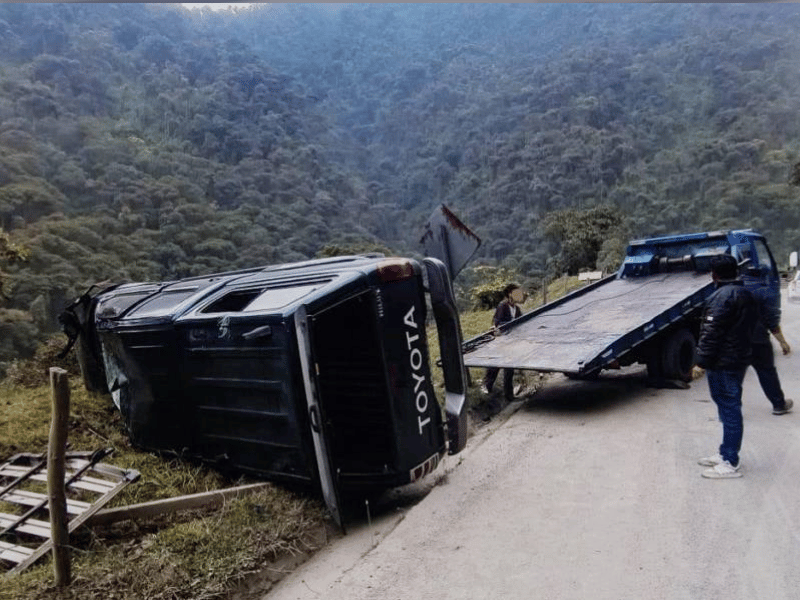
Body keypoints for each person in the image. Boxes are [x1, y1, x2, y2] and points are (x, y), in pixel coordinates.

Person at [694, 254, 757, 479]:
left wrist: (700, 363)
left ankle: (730, 462)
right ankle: (725, 453)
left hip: (723, 363)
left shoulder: (721, 297)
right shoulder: (745, 293)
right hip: (738, 359)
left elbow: (711, 334)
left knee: (730, 409)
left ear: (714, 274)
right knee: (728, 406)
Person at [745, 275, 793, 415]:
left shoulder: (729, 291)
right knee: (766, 371)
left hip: (735, 342)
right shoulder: (763, 291)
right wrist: (782, 341)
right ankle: (778, 405)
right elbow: (771, 320)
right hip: (758, 340)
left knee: (734, 375)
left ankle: (729, 411)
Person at [483, 283, 524, 401]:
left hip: (512, 341)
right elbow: (498, 323)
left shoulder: (517, 309)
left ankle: (509, 395)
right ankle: (487, 386)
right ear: (509, 294)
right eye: (515, 293)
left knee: (509, 368)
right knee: (495, 364)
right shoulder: (503, 306)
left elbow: (521, 323)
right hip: (501, 339)